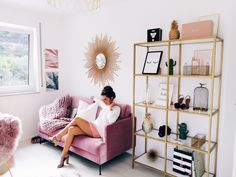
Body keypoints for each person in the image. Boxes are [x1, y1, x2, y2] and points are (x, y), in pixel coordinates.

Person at [50, 86, 121, 168]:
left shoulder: (116, 109)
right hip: (93, 126)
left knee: (77, 119)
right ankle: (64, 155)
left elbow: (111, 121)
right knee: (71, 129)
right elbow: (99, 102)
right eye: (103, 99)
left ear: (111, 98)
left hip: (98, 131)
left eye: (105, 99)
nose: (104, 101)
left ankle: (58, 136)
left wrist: (110, 107)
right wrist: (95, 98)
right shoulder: (105, 105)